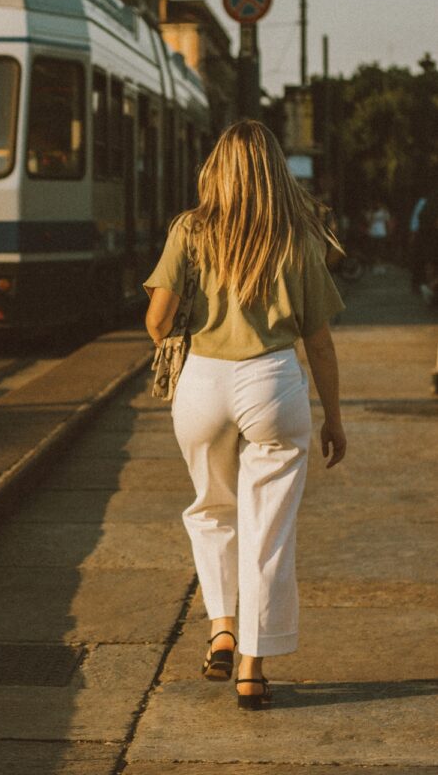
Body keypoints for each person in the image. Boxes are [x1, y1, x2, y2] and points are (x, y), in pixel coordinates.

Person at [144, 120, 347, 711]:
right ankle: (253, 669)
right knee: (268, 528)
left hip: (202, 382)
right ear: (274, 172)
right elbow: (321, 342)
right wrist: (333, 417)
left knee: (211, 511)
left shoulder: (190, 230)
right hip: (273, 381)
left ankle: (222, 627)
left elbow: (158, 321)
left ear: (219, 170)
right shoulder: (298, 237)